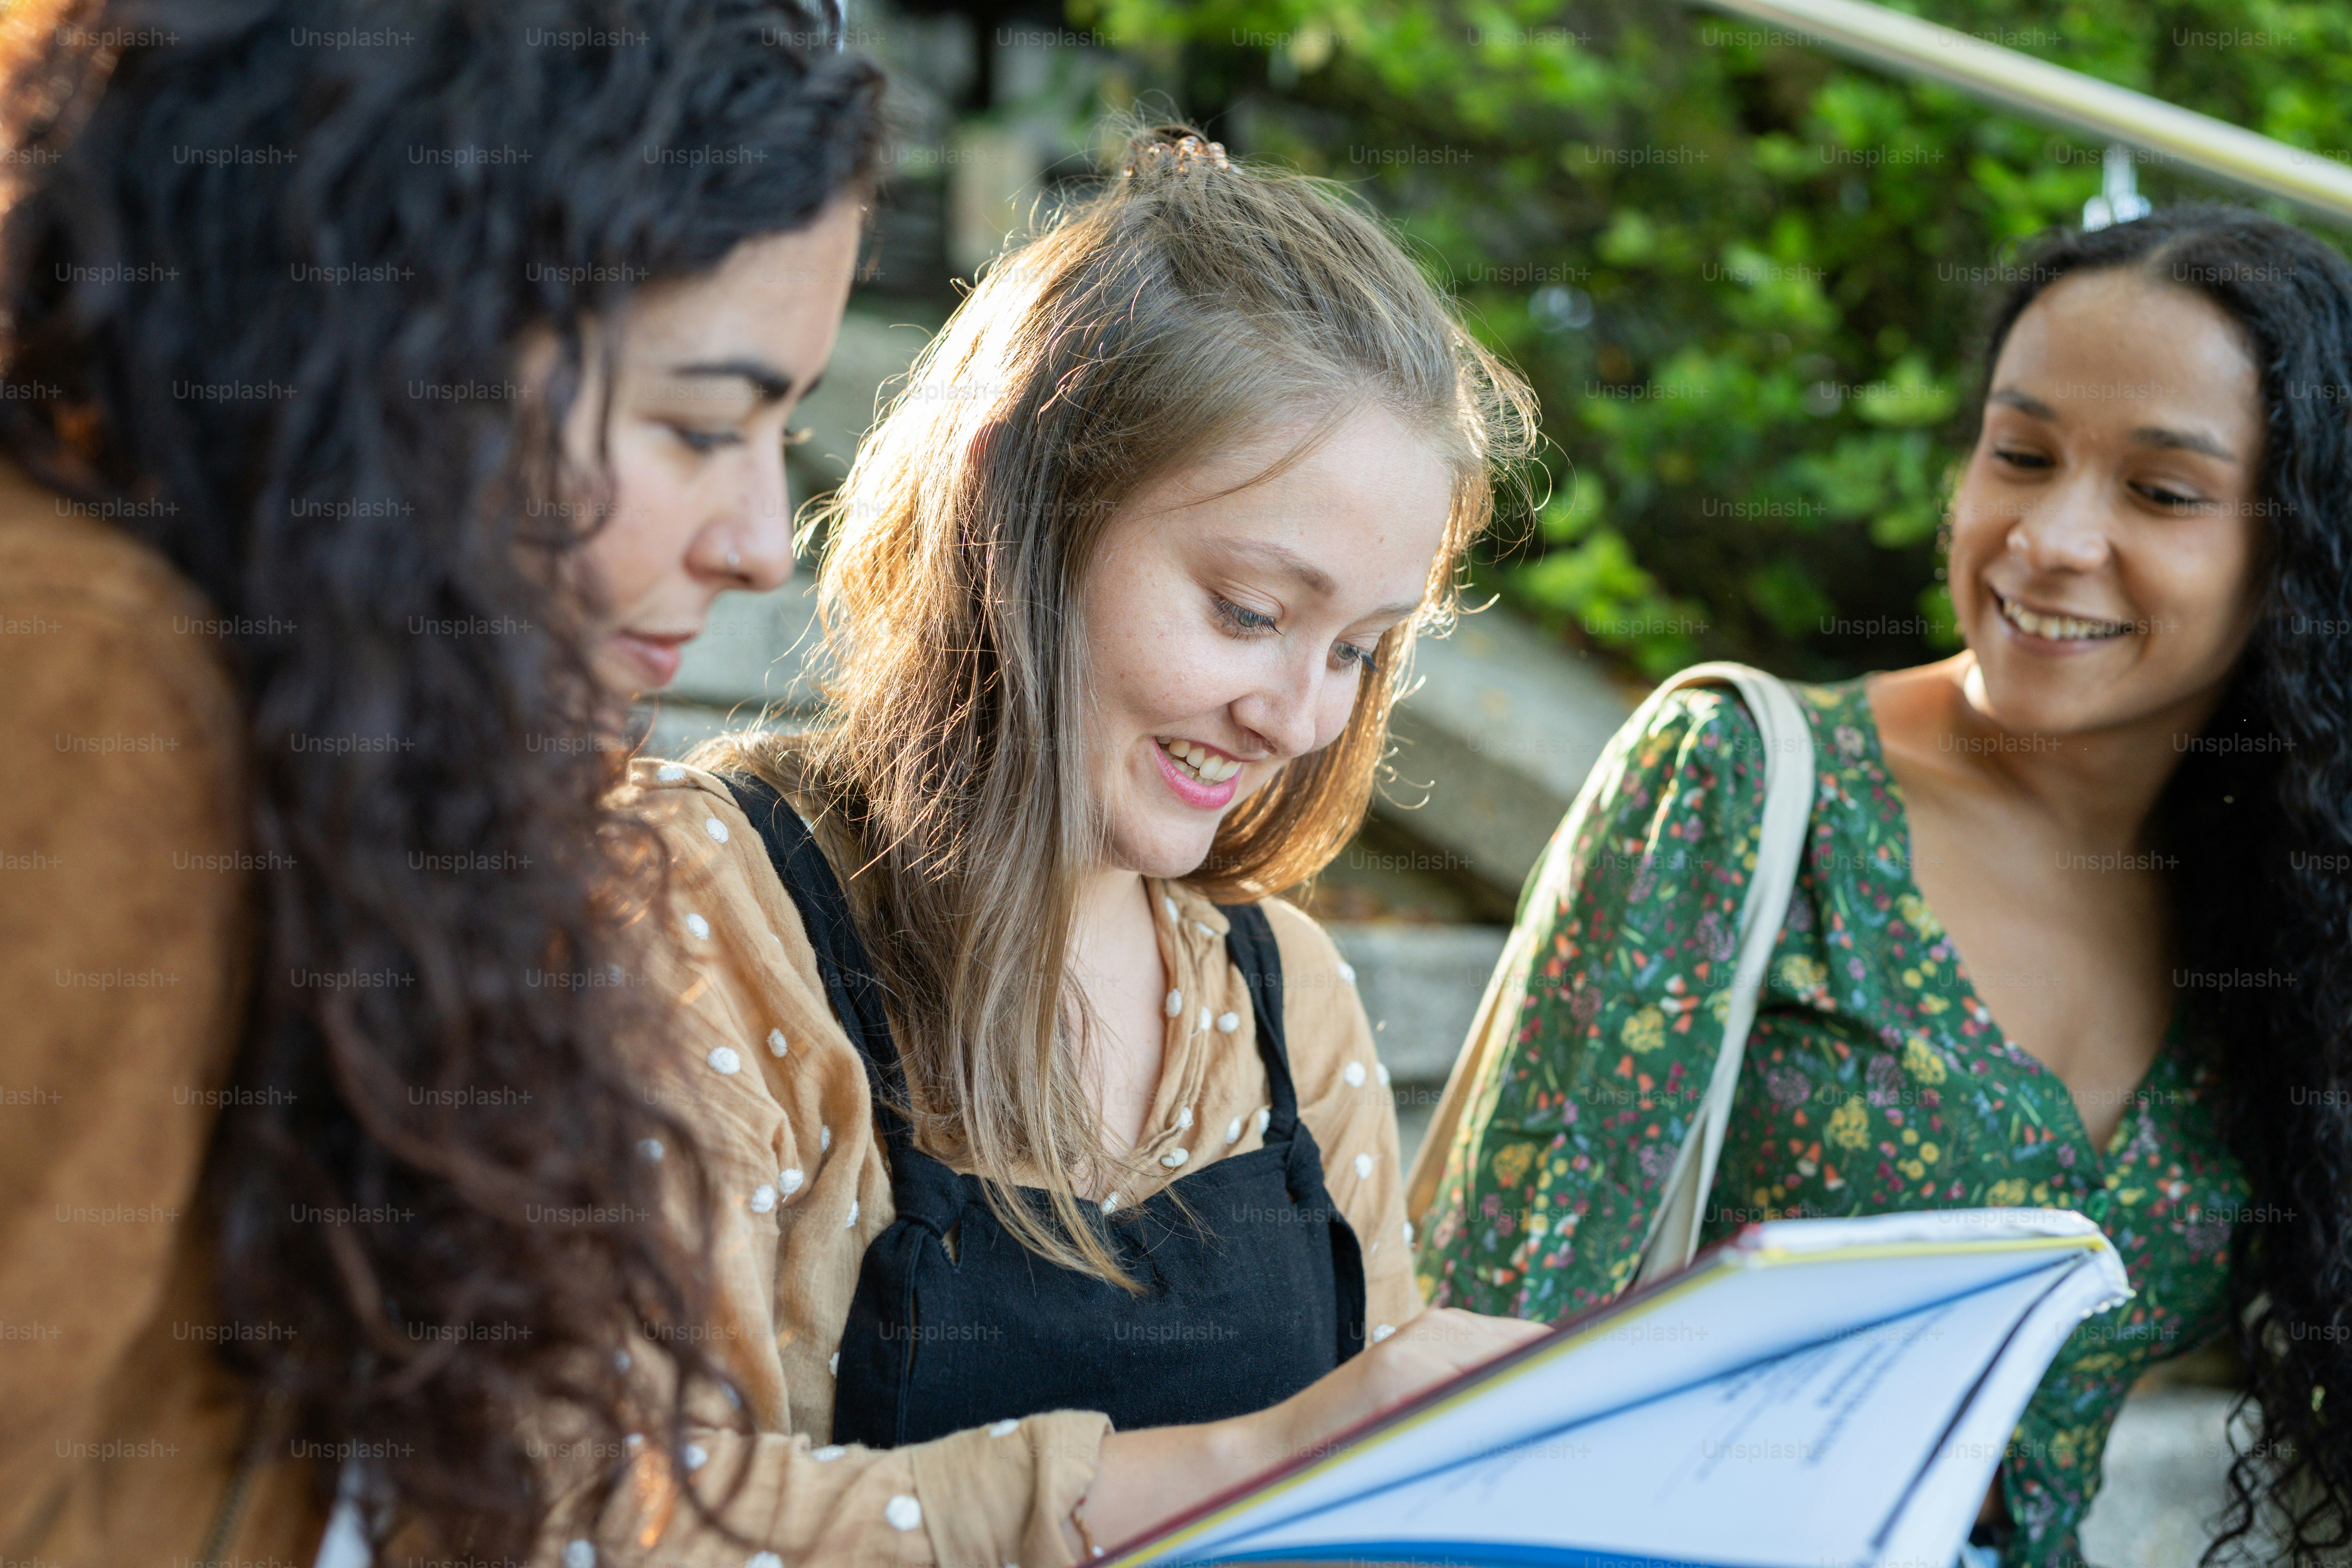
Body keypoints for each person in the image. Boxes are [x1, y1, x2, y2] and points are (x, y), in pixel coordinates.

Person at [0, 0, 897, 1560]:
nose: (763, 539)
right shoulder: (86, 680)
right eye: (699, 427)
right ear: (415, 350)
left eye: (781, 436)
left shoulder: (338, 741)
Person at [617, 121, 1550, 1563]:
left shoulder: (1285, 995)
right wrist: (1251, 1458)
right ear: (1016, 507)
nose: (1299, 717)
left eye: (1362, 650)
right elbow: (609, 1518)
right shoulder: (703, 918)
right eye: (1248, 610)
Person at [1409, 202, 2352, 1567]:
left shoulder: (2284, 892)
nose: (2049, 538)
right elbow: (1488, 1331)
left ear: (2299, 554)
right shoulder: (1745, 786)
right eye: (2019, 455)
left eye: (2161, 491)